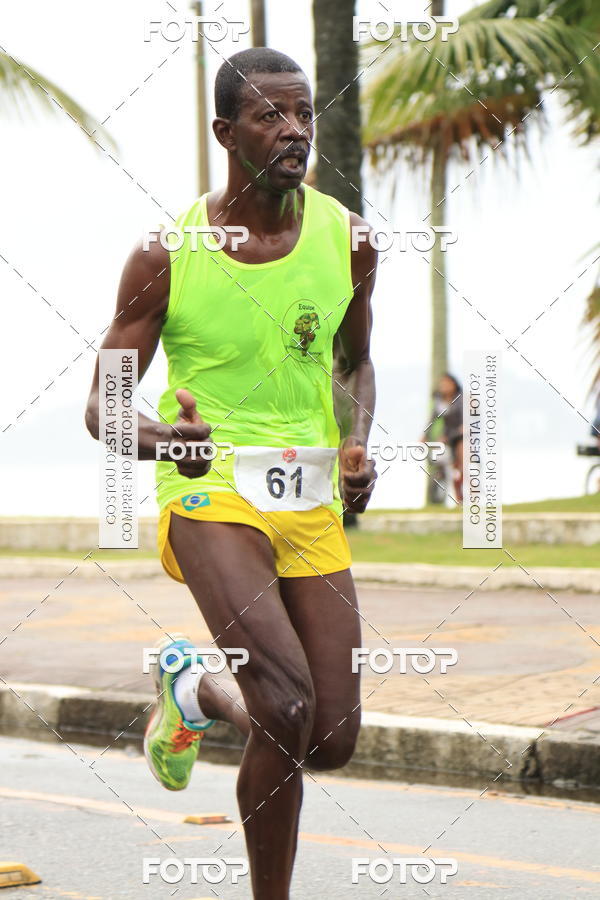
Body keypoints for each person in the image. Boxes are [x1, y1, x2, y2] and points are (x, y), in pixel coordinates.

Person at [85, 48, 377, 899]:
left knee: (329, 739)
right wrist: (163, 443)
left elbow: (356, 362)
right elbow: (104, 405)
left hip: (306, 487)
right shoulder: (168, 252)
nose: (293, 132)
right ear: (226, 132)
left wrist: (355, 445)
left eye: (303, 115)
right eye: (270, 117)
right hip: (207, 486)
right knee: (283, 703)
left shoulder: (349, 238)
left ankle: (197, 688)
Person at [423, 373, 463, 503]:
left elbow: (467, 425)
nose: (444, 386)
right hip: (446, 439)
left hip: (461, 438)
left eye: (447, 383)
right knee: (438, 458)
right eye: (442, 384)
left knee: (463, 465)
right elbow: (432, 420)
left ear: (454, 384)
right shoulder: (439, 402)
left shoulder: (462, 400)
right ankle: (440, 489)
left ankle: (462, 497)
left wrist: (451, 436)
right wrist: (424, 435)